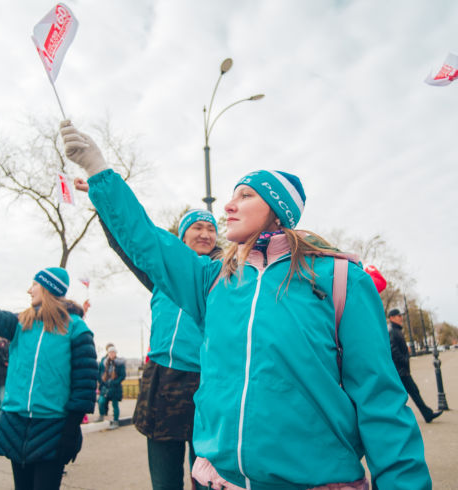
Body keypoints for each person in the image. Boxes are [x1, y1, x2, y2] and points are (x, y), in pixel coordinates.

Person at [60, 121, 431, 489]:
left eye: (245, 196)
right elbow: (145, 240)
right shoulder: (212, 280)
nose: (228, 205)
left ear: (277, 208)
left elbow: (380, 399)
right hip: (218, 482)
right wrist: (99, 170)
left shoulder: (341, 279)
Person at [79, 177, 221, 490]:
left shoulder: (224, 274)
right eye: (198, 227)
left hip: (208, 382)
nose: (206, 234)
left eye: (211, 229)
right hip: (164, 381)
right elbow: (125, 242)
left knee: (208, 479)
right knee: (165, 480)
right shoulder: (159, 275)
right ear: (181, 236)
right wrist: (103, 205)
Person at [0, 245, 98, 490]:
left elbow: (84, 384)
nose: (29, 290)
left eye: (34, 284)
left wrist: (70, 431)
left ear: (46, 288)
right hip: (15, 425)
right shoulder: (19, 323)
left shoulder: (77, 329)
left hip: (53, 428)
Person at [387, 309, 442, 423]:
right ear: (391, 317)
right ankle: (425, 414)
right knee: (405, 395)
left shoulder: (396, 330)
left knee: (411, 393)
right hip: (400, 371)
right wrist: (404, 360)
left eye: (400, 315)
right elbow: (394, 351)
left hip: (402, 370)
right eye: (398, 316)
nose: (400, 317)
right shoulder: (392, 331)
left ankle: (427, 414)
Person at [97, 345, 126, 429]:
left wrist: (115, 382)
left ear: (115, 353)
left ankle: (116, 421)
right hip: (105, 386)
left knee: (115, 405)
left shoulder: (119, 363)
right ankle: (101, 415)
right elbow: (100, 373)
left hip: (115, 387)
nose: (111, 354)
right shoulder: (104, 362)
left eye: (113, 352)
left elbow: (122, 375)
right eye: (110, 352)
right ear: (108, 353)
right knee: (101, 401)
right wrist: (102, 382)